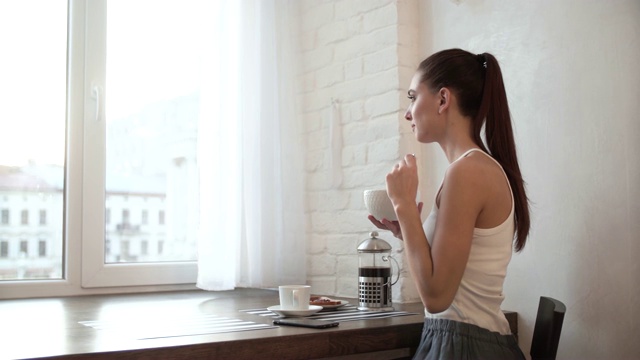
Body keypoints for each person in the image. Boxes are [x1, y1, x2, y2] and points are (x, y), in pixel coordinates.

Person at [368, 48, 530, 359]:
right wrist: (408, 229)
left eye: (413, 97)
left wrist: (403, 205)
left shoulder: (467, 172)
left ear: (443, 100)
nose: (407, 113)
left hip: (466, 346)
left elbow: (437, 296)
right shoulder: (467, 169)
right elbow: (452, 270)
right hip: (458, 340)